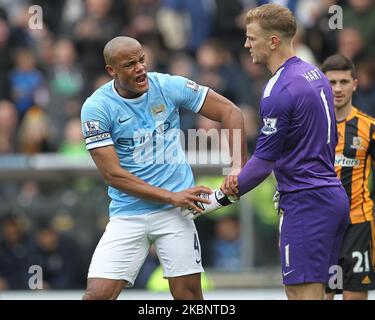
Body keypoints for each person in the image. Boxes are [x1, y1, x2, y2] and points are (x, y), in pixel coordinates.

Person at [187, 4, 350, 300]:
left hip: (305, 203)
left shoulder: (279, 88)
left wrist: (216, 199)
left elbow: (263, 163)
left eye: (251, 37)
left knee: (302, 296)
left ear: (273, 41)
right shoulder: (314, 73)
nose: (246, 44)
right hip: (330, 196)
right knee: (317, 294)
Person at [80, 36, 247, 300]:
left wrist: (238, 166)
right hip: (129, 213)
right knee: (97, 296)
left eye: (142, 59)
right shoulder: (97, 108)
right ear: (112, 71)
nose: (140, 68)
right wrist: (171, 195)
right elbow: (112, 175)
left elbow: (231, 111)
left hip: (176, 213)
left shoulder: (167, 85)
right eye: (130, 64)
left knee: (189, 297)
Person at [321, 54, 375, 300]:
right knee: (322, 295)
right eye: (331, 83)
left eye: (344, 82)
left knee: (355, 296)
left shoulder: (369, 127)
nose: (338, 89)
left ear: (355, 83)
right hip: (320, 226)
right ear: (322, 84)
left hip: (358, 224)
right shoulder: (310, 128)